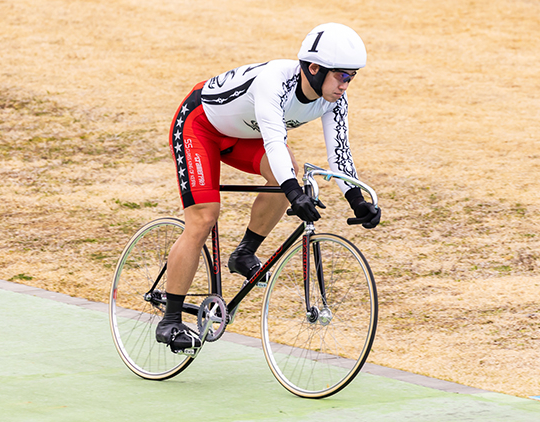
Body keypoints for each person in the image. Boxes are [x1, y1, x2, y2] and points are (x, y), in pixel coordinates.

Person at [157, 23, 382, 353]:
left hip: (242, 136)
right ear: (315, 69)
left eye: (352, 77)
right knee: (204, 218)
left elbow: (340, 153)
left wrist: (357, 200)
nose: (346, 85)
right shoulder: (275, 81)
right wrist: (293, 193)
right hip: (200, 127)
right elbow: (275, 141)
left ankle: (244, 252)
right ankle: (170, 319)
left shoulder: (334, 99)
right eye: (342, 76)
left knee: (287, 175)